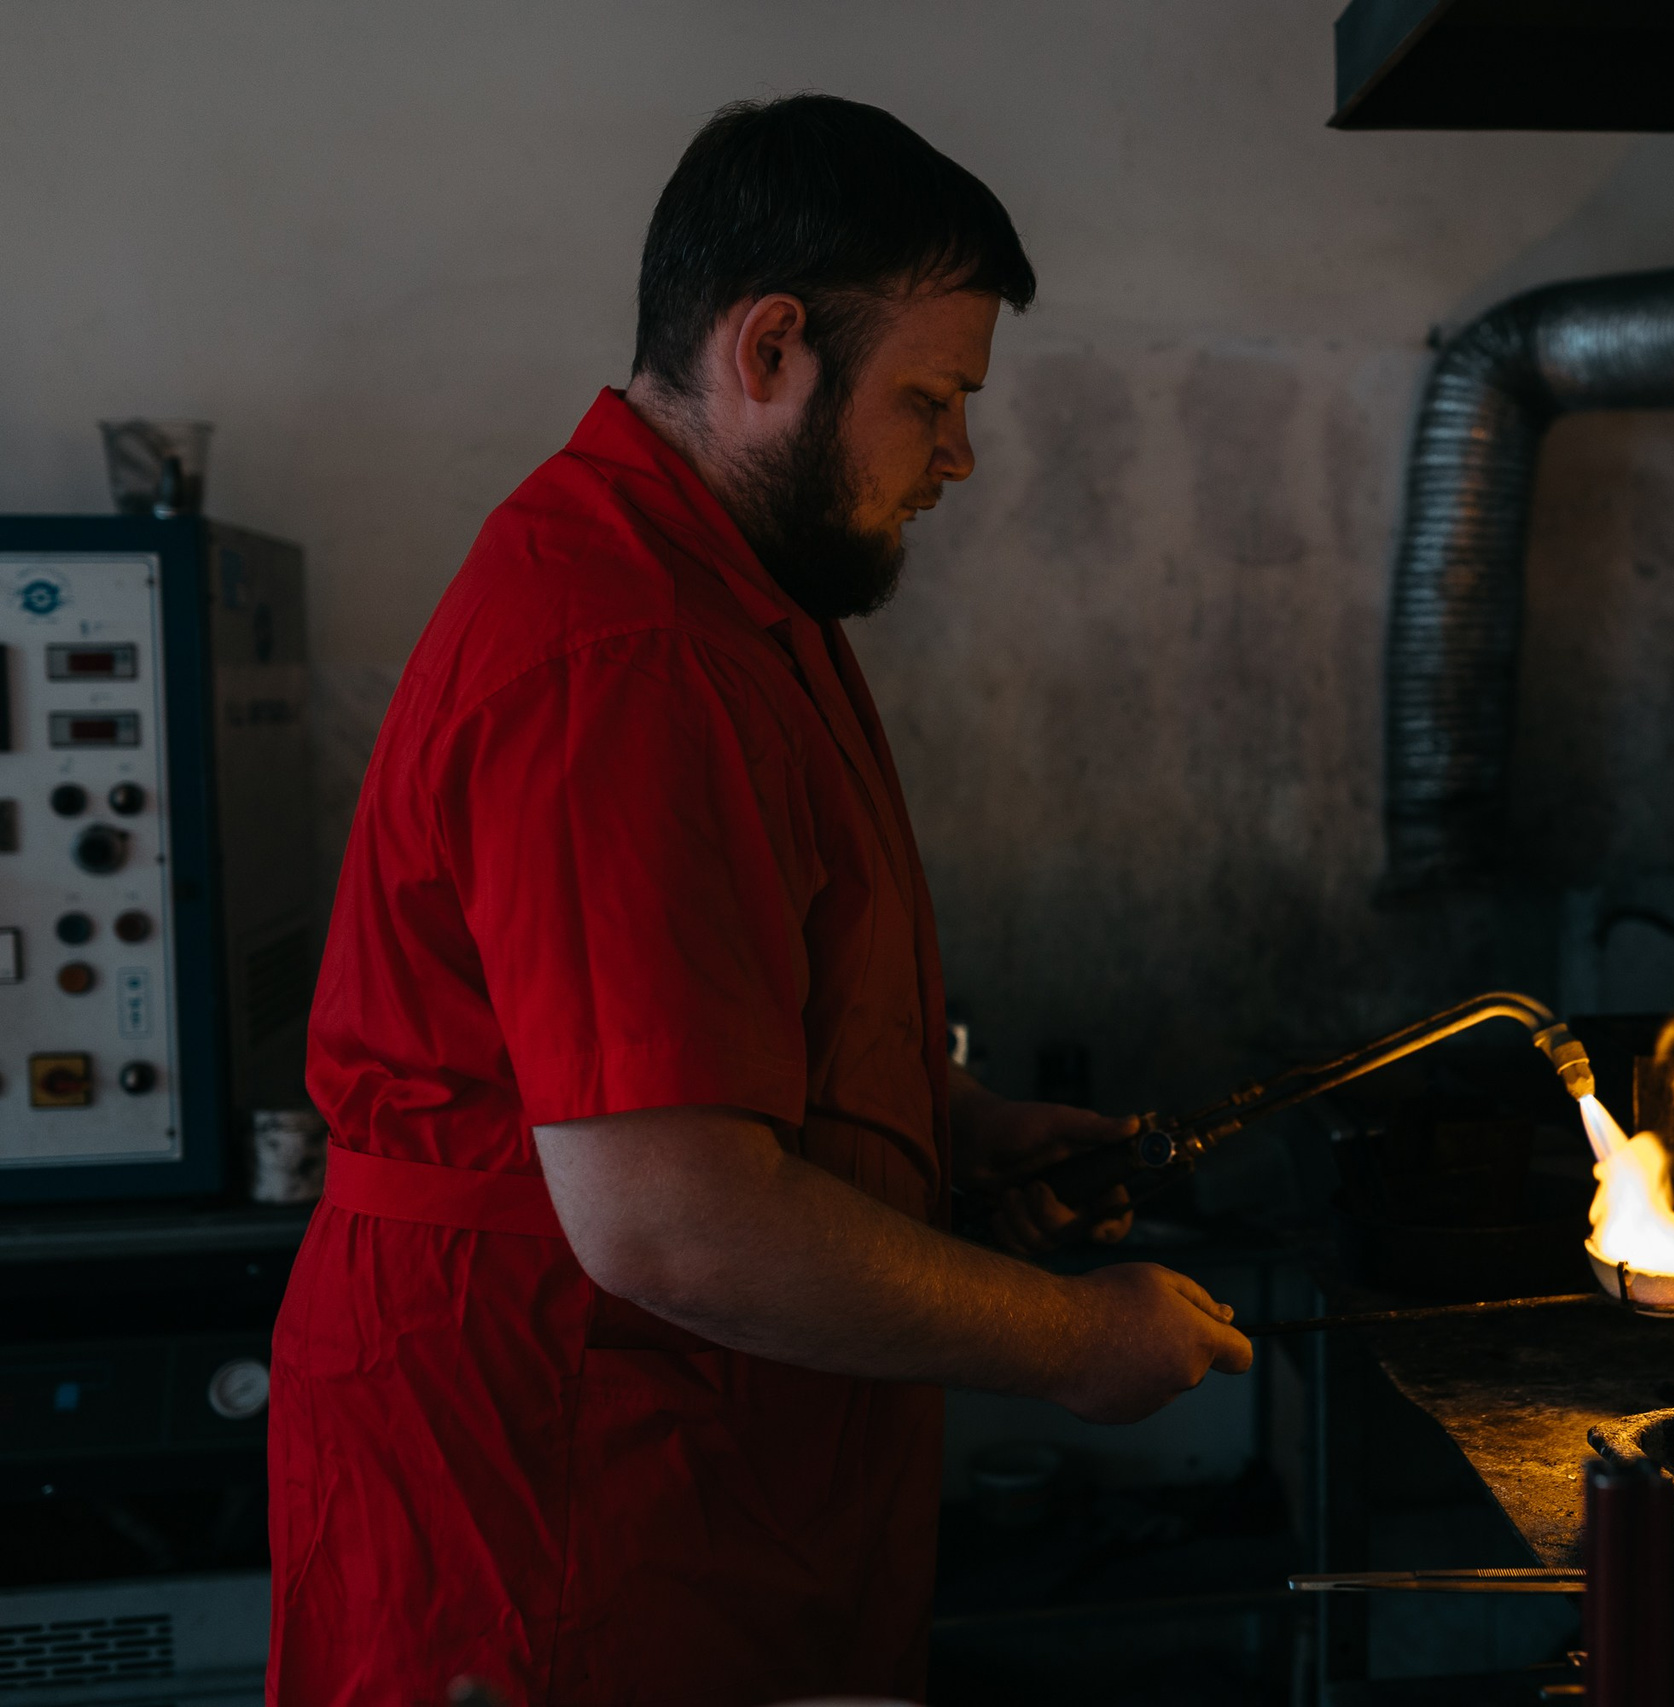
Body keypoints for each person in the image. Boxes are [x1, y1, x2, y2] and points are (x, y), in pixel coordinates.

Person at [266, 96, 1253, 1707]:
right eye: (929, 399)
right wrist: (1076, 1342)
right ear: (771, 349)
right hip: (566, 1490)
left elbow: (743, 998)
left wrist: (949, 1125)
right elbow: (670, 1213)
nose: (959, 453)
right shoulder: (627, 653)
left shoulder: (734, 600)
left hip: (692, 1454)